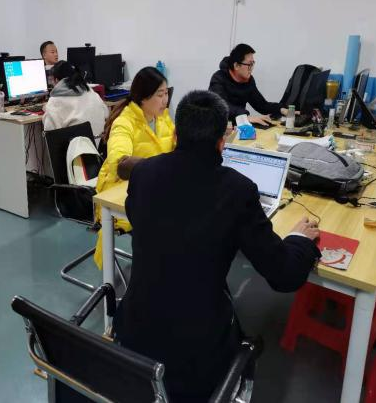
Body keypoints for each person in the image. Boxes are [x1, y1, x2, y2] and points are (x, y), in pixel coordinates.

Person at [113, 90, 321, 403]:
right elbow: (284, 275)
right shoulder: (238, 190)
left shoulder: (144, 172)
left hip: (132, 336)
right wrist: (299, 239)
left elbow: (141, 219)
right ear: (222, 142)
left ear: (176, 134)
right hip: (194, 361)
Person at [93, 66, 175, 268]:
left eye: (166, 93)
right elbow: (120, 164)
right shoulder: (124, 122)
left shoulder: (162, 117)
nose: (165, 100)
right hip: (122, 189)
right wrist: (163, 167)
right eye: (160, 95)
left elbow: (177, 146)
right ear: (143, 98)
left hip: (155, 185)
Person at [209, 43, 289, 126]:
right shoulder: (219, 78)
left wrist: (281, 109)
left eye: (253, 64)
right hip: (217, 126)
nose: (251, 68)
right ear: (236, 66)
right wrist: (245, 116)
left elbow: (261, 105)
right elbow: (220, 105)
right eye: (249, 64)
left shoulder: (248, 81)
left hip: (238, 126)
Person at [43, 60, 108, 137]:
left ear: (56, 80)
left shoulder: (55, 100)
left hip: (75, 144)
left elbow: (49, 130)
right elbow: (106, 113)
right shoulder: (90, 91)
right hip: (97, 141)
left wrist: (47, 109)